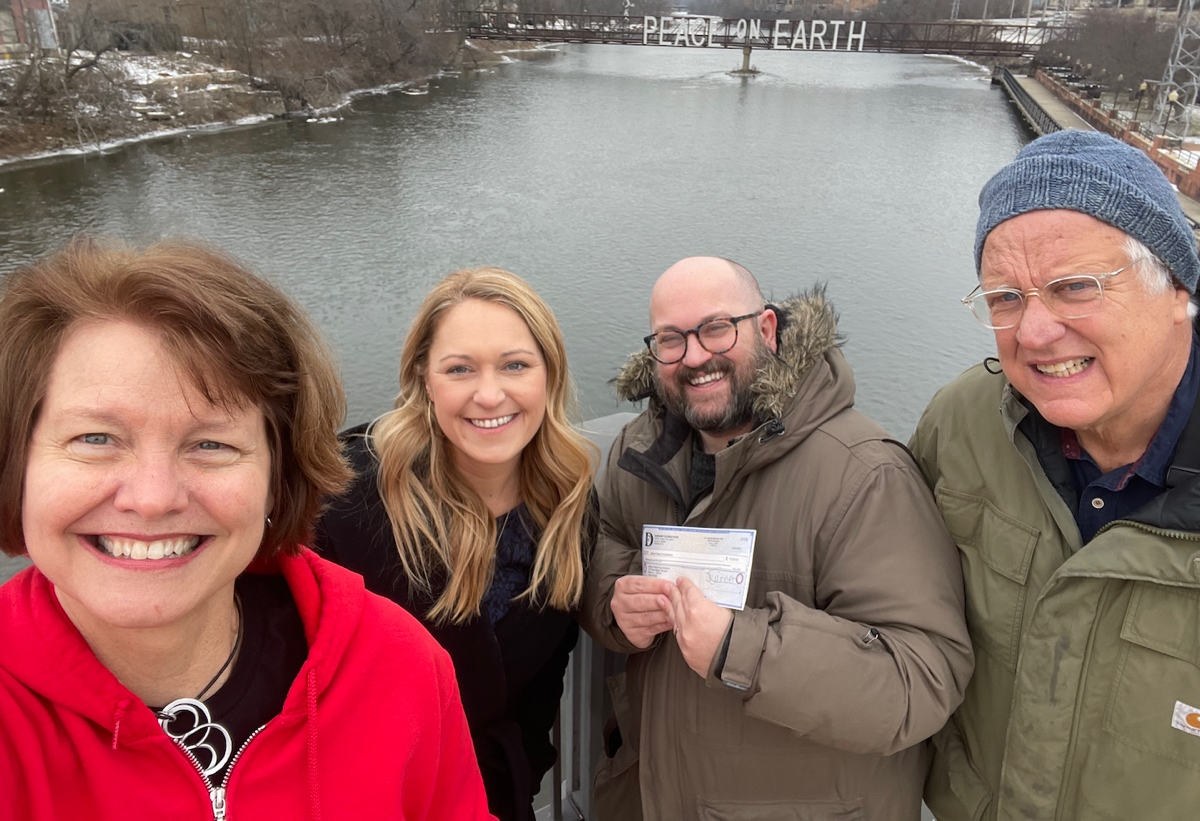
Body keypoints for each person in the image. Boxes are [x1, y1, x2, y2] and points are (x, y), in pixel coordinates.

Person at [0, 239, 493, 820]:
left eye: (211, 444)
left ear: (276, 478)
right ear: (17, 464)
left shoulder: (397, 667)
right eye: (96, 439)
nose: (153, 498)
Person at [580, 256, 974, 821]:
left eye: (716, 328)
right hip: (651, 796)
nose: (695, 357)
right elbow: (602, 545)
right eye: (671, 339)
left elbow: (921, 678)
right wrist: (614, 602)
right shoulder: (640, 453)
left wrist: (741, 649)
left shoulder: (863, 476)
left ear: (766, 329)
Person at [911, 129, 1200, 821]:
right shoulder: (963, 425)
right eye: (1005, 298)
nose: (1034, 332)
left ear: (1176, 287)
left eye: (1075, 287)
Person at [317, 267, 596, 821]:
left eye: (515, 365)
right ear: (425, 380)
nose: (489, 394)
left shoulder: (568, 509)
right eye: (460, 369)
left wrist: (523, 771)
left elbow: (541, 688)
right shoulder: (349, 499)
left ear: (550, 376)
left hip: (489, 796)